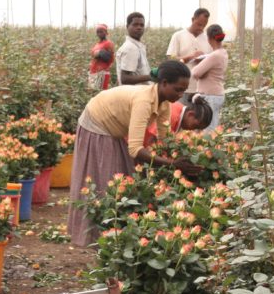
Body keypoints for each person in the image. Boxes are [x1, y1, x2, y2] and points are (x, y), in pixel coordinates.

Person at [67, 60, 203, 247]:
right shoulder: (144, 102)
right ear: (163, 83)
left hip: (114, 128)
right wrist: (173, 165)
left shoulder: (164, 103)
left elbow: (165, 141)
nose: (180, 95)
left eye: (183, 91)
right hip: (97, 124)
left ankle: (114, 235)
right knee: (106, 181)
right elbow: (135, 149)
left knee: (122, 176)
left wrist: (181, 158)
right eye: (178, 89)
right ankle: (96, 238)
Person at [166, 8, 211, 102]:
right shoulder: (178, 36)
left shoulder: (208, 39)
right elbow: (170, 61)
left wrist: (204, 60)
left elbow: (212, 63)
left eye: (204, 25)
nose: (201, 28)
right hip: (180, 89)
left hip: (201, 89)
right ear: (192, 19)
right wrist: (190, 57)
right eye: (199, 24)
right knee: (180, 115)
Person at [191, 24, 229, 132]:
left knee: (207, 129)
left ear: (209, 38)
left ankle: (206, 148)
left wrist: (199, 64)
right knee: (213, 126)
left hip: (210, 96)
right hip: (217, 94)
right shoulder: (223, 52)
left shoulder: (214, 55)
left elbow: (195, 73)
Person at [143, 95, 214, 148]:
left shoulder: (179, 110)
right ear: (190, 114)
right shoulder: (172, 116)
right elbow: (151, 139)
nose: (193, 129)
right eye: (195, 126)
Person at [115, 12, 152, 85]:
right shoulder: (131, 48)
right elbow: (125, 79)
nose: (139, 27)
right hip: (135, 93)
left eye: (142, 25)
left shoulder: (137, 46)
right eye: (135, 24)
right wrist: (151, 77)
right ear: (127, 26)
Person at [88, 23, 115, 90]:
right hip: (94, 71)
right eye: (98, 32)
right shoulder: (97, 44)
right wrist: (98, 53)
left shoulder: (108, 43)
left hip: (102, 72)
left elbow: (108, 57)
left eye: (101, 31)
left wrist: (99, 53)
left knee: (100, 93)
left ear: (106, 32)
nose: (99, 33)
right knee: (93, 92)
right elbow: (93, 54)